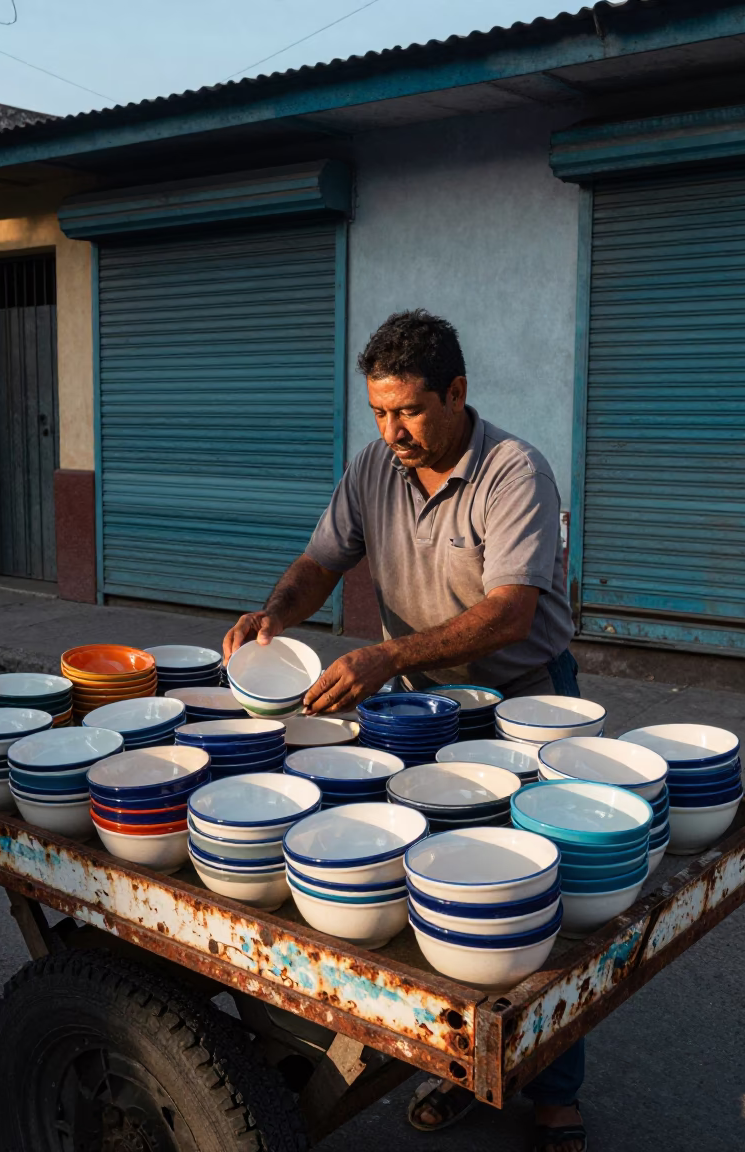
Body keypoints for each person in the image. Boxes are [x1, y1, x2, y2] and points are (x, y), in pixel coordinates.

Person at [223, 309, 586, 1152]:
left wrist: (387, 658)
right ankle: (453, 1066)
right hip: (416, 707)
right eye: (380, 414)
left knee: (536, 903)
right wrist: (273, 617)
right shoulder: (373, 469)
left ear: (457, 392)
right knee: (433, 887)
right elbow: (321, 561)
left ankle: (557, 1095)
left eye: (410, 412)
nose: (393, 432)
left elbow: (511, 611)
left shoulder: (512, 470)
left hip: (522, 701)